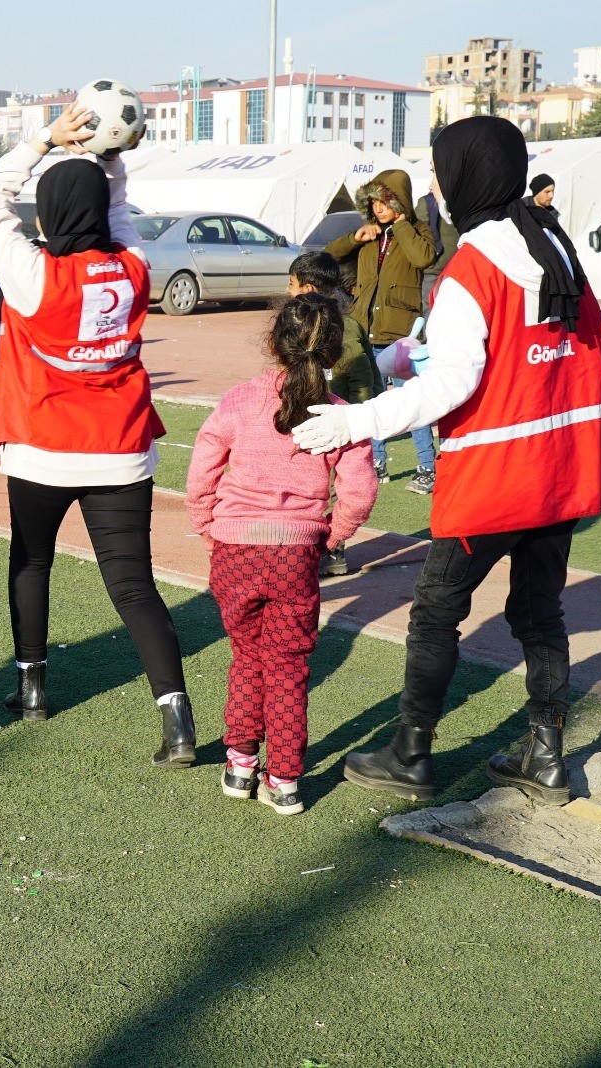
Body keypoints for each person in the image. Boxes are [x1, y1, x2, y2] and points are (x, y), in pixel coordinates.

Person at [293, 115, 601, 807]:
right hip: (565, 467)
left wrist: (358, 419)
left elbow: (453, 384)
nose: (435, 182)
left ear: (468, 173)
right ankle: (547, 756)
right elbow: (594, 343)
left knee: (436, 613)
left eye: (440, 169)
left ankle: (411, 752)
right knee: (540, 612)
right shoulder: (554, 243)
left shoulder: (474, 265)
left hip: (498, 475)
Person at [0, 104, 198, 769]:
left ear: (45, 215)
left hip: (40, 446)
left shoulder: (32, 273)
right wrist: (109, 154)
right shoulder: (133, 268)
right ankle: (179, 721)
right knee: (133, 586)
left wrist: (48, 140)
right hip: (121, 448)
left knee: (31, 561)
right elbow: (120, 209)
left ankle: (32, 688)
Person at [186, 293, 378, 815]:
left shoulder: (241, 399)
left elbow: (203, 468)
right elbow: (359, 492)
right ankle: (285, 779)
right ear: (336, 352)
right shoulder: (340, 417)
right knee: (288, 667)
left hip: (235, 548)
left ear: (274, 343)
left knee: (246, 656)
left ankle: (240, 763)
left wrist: (208, 525)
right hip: (296, 552)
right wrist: (330, 538)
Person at [326, 171, 437, 492]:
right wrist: (354, 238)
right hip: (364, 331)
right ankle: (377, 461)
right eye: (373, 202)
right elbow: (329, 256)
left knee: (412, 404)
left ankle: (426, 466)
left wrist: (401, 224)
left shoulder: (416, 231)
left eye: (384, 201)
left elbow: (424, 257)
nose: (378, 208)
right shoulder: (369, 234)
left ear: (398, 201)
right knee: (370, 402)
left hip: (400, 334)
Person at [287, 250, 382, 578]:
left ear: (308, 287)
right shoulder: (303, 318)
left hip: (334, 422)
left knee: (325, 490)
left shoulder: (343, 323)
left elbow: (363, 372)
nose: (288, 291)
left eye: (292, 284)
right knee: (311, 487)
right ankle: (312, 546)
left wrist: (359, 416)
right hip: (310, 417)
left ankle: (330, 551)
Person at [416, 188, 460, 309]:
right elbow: (418, 236)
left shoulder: (461, 201)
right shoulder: (427, 202)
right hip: (434, 271)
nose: (430, 186)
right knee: (430, 311)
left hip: (455, 272)